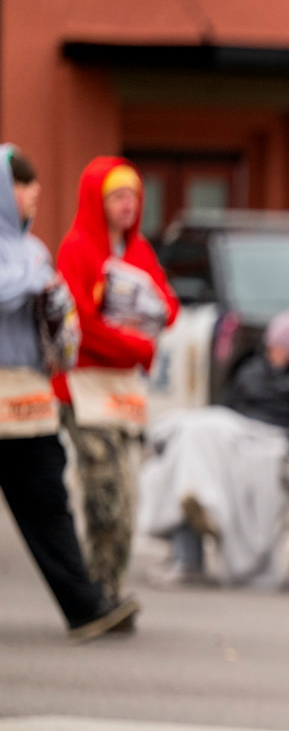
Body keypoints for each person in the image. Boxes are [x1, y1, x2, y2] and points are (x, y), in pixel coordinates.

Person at [0, 144, 139, 641]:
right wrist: (36, 282)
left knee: (49, 503)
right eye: (22, 183)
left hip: (29, 401)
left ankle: (85, 607)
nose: (34, 192)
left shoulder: (33, 249)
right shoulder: (30, 261)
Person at [54, 156, 179, 603]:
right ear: (97, 200)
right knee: (102, 492)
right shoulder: (77, 248)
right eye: (118, 197)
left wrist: (155, 319)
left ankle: (110, 588)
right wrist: (138, 347)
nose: (128, 206)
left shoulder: (139, 250)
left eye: (134, 197)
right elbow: (80, 324)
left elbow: (167, 304)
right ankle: (96, 591)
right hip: (84, 391)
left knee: (127, 493)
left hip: (123, 393)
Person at [138, 306, 289, 585]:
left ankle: (198, 529)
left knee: (193, 435)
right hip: (229, 434)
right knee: (191, 431)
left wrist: (274, 439)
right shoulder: (252, 368)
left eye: (281, 344)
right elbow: (226, 408)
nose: (273, 348)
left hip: (265, 438)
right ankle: (201, 504)